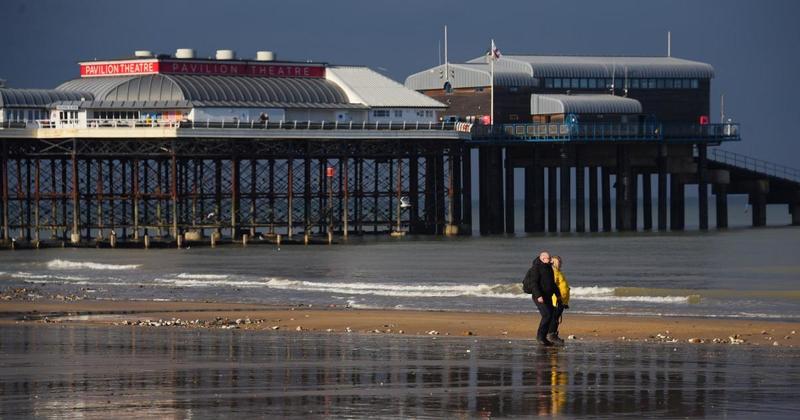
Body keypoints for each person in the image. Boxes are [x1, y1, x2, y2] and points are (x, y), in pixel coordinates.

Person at [523, 251, 561, 346]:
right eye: (549, 258)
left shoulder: (549, 268)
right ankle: (540, 337)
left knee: (552, 314)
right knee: (547, 315)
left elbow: (552, 284)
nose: (550, 260)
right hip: (539, 297)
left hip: (548, 296)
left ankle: (546, 336)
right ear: (543, 259)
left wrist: (558, 294)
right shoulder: (536, 268)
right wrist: (538, 295)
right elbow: (534, 283)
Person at [547, 256, 570, 345]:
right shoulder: (553, 271)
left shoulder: (558, 272)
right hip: (556, 299)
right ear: (552, 262)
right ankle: (551, 335)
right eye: (558, 261)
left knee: (556, 318)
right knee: (554, 318)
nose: (560, 263)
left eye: (560, 261)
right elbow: (552, 285)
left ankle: (553, 334)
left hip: (562, 300)